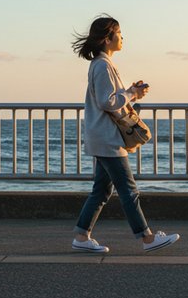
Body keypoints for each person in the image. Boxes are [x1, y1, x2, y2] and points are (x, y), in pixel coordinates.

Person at [70, 15, 180, 254]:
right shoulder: (102, 65)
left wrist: (132, 92)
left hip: (102, 135)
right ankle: (148, 239)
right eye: (119, 33)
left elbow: (110, 98)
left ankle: (81, 236)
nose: (122, 38)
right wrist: (131, 93)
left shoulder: (103, 64)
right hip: (107, 137)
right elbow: (107, 101)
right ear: (108, 38)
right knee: (128, 190)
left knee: (101, 190)